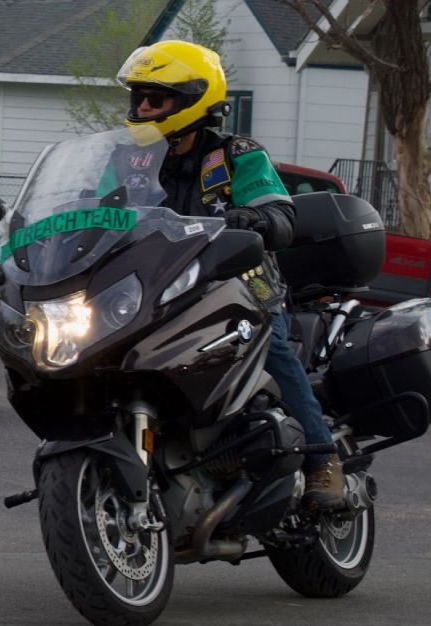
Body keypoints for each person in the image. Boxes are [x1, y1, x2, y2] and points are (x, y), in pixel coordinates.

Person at [118, 40, 344, 509]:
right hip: (157, 289)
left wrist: (255, 218)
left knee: (269, 345)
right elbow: (93, 209)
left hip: (240, 283)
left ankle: (322, 456)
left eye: (155, 98)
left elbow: (281, 214)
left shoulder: (235, 154)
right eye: (139, 97)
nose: (142, 108)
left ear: (192, 100)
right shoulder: (128, 160)